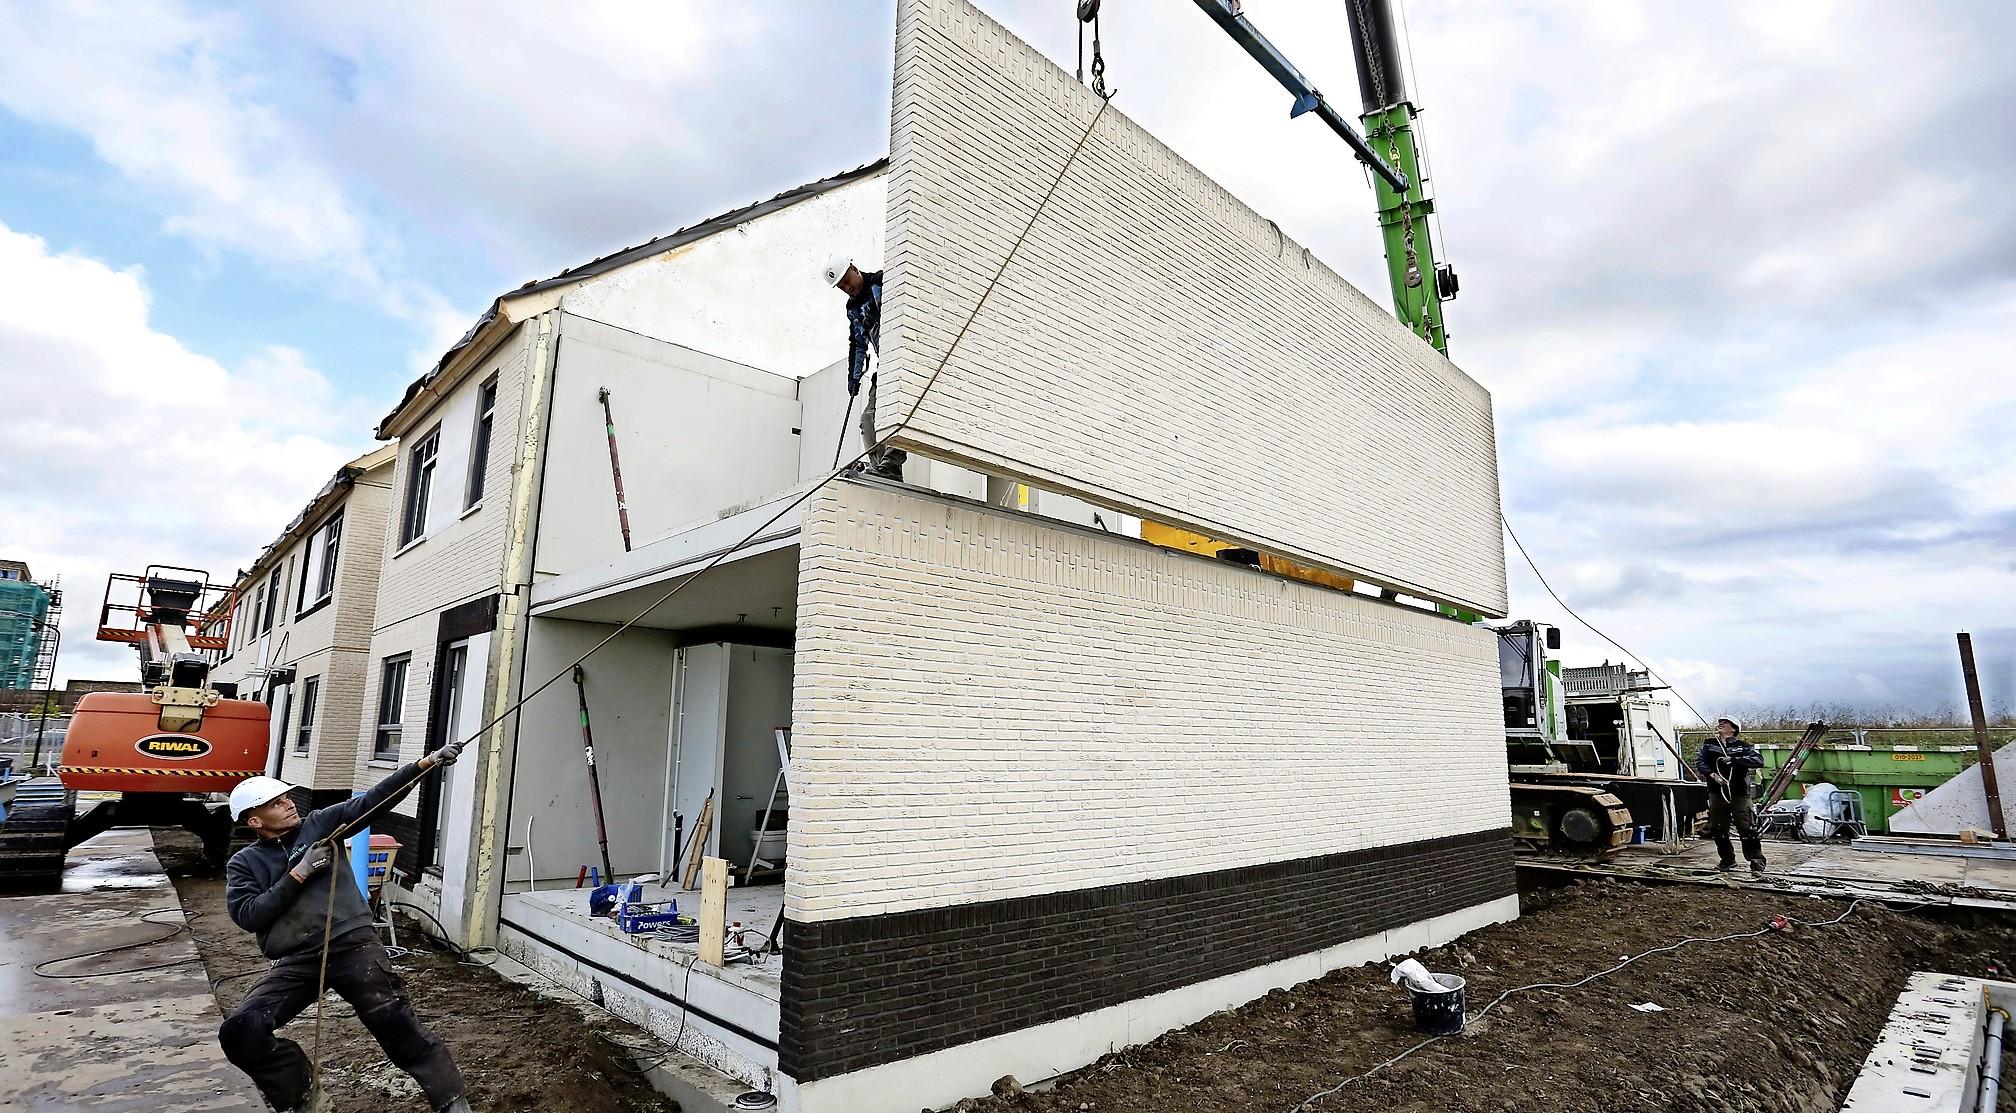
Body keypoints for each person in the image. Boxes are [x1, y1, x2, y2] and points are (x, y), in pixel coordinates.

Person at [219, 740, 471, 1113]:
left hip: (354, 947)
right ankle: (306, 1099)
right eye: (275, 802)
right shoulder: (245, 863)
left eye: (287, 797)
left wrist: (424, 765)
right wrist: (299, 873)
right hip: (298, 959)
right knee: (241, 1030)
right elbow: (248, 914)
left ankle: (453, 1102)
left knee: (397, 1024)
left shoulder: (319, 824)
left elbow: (371, 801)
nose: (289, 803)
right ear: (254, 821)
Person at [824, 252, 907, 481]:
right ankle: (883, 469)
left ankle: (891, 464)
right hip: (885, 366)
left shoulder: (882, 282)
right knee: (868, 419)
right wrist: (854, 376)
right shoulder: (852, 309)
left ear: (854, 268)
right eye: (840, 286)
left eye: (846, 280)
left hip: (902, 361)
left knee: (896, 412)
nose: (846, 287)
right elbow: (858, 343)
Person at [1696, 716, 1766, 875]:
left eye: (1725, 723)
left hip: (1739, 793)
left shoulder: (1743, 747)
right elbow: (1701, 762)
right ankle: (1727, 860)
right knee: (1718, 828)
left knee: (1746, 827)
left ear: (1733, 729)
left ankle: (1756, 862)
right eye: (1720, 722)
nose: (1721, 724)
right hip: (1717, 792)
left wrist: (1734, 760)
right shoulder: (1710, 744)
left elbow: (1758, 760)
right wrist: (1712, 775)